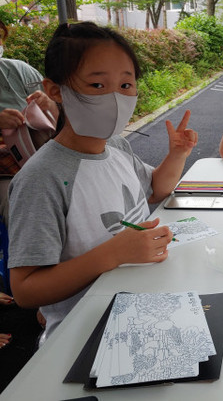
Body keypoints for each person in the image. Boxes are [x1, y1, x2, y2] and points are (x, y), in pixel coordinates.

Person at [7, 22, 198, 343]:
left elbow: (156, 189)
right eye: (97, 85)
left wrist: (178, 154)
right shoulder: (42, 178)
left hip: (147, 306)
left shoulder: (117, 147)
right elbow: (25, 290)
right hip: (87, 333)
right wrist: (113, 254)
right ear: (55, 91)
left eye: (126, 85)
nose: (115, 98)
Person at [0, 19, 60, 220]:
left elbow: (60, 116)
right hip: (7, 171)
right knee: (18, 198)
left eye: (0, 37)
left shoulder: (19, 70)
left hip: (40, 155)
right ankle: (30, 248)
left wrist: (49, 104)